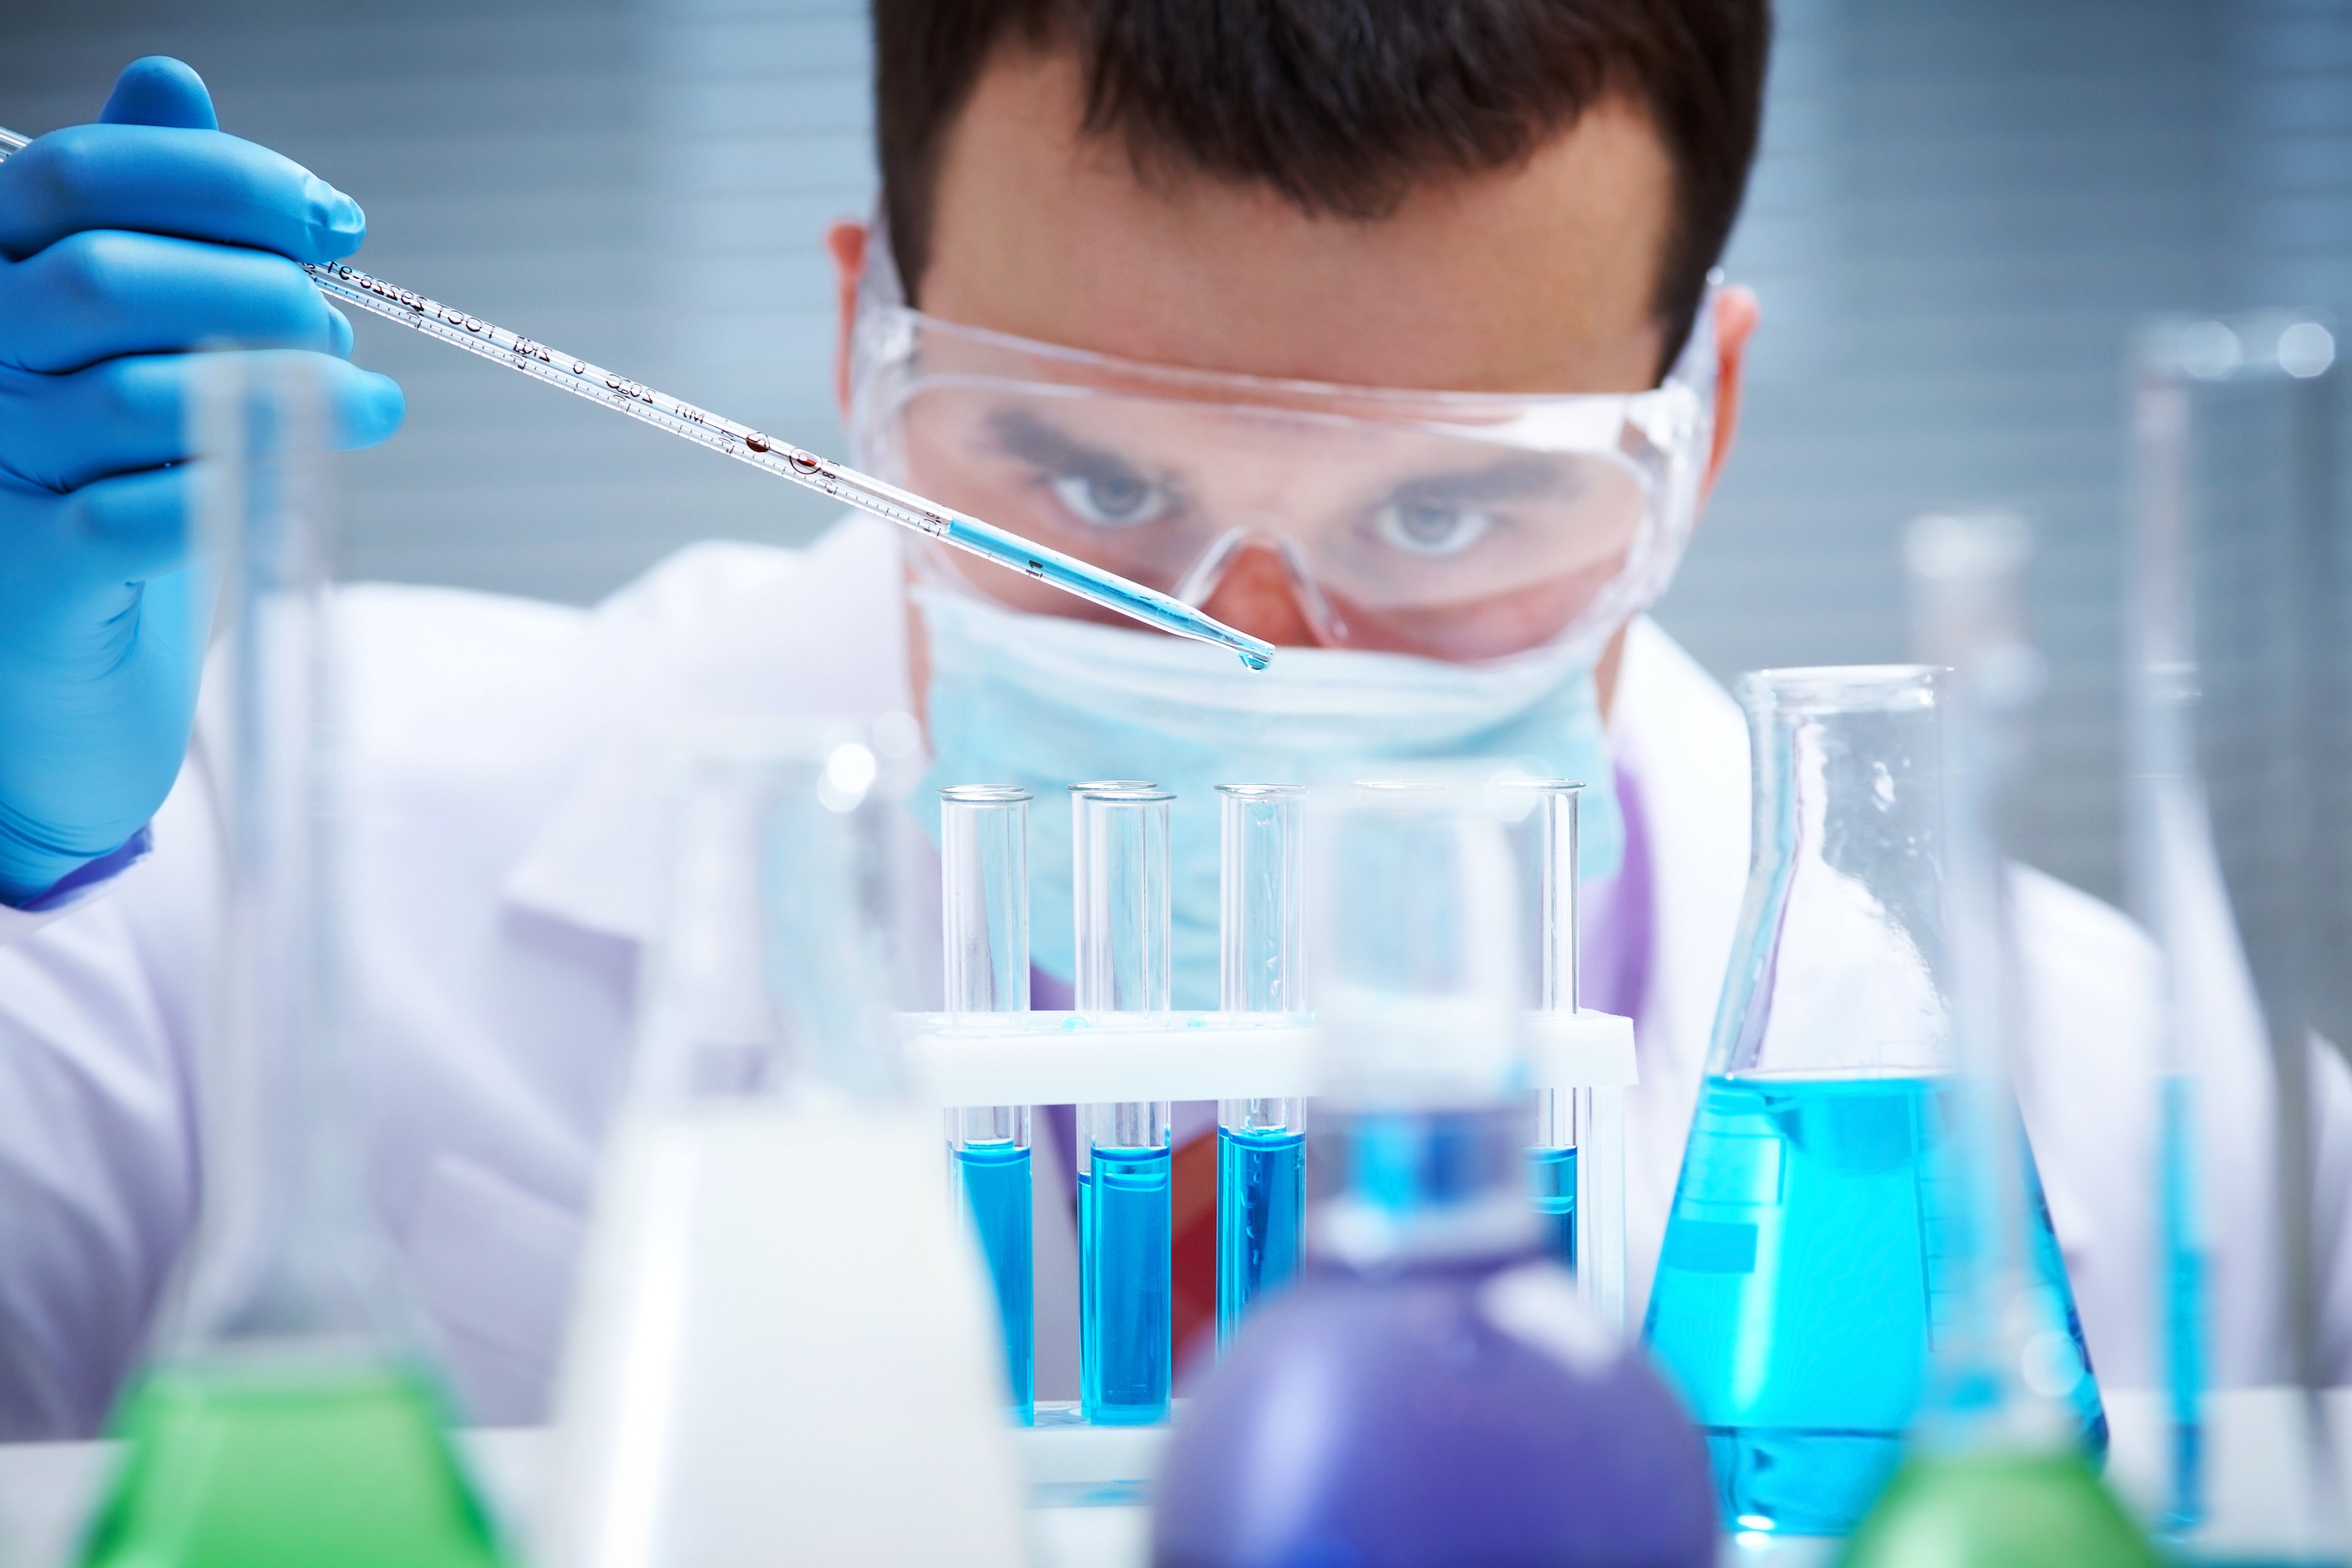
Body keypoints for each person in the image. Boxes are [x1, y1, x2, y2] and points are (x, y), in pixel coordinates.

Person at [0, 9, 2342, 1439]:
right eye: (1096, 481)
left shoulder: (2151, 1105)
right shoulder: (252, 844)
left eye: (1442, 509)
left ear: (1693, 426)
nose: (1251, 652)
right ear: (863, 351)